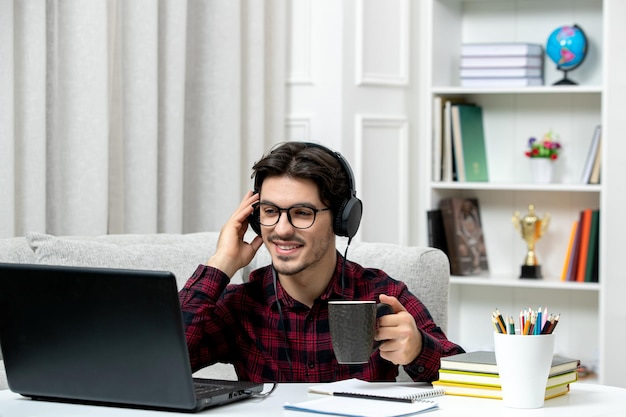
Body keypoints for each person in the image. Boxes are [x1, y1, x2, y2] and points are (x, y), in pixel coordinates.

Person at [179, 141, 464, 383]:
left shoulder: (382, 295)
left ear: (342, 220)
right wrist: (221, 263)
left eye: (302, 213)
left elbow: (471, 379)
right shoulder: (239, 305)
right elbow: (157, 361)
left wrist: (418, 349)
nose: (281, 229)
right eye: (269, 211)